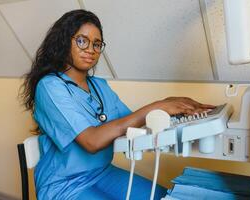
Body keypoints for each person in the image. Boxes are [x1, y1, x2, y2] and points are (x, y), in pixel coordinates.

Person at [20, 9, 215, 200]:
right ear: (63, 42)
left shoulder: (99, 86)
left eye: (97, 44)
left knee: (163, 197)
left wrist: (173, 111)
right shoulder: (50, 86)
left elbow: (131, 123)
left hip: (102, 173)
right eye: (81, 41)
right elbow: (92, 141)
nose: (90, 49)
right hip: (64, 185)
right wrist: (157, 106)